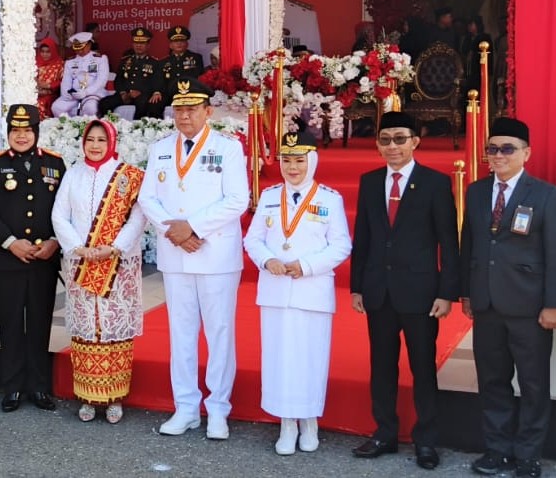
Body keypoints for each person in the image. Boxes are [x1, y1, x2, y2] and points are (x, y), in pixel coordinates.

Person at [139, 79, 249, 440]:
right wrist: (175, 231)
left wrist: (194, 228)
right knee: (181, 335)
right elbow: (148, 198)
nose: (184, 116)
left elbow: (237, 200)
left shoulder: (228, 148)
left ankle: (218, 409)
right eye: (179, 109)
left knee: (219, 334)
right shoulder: (161, 149)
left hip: (214, 252)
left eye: (192, 109)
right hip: (176, 253)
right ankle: (185, 407)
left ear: (208, 112)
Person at [349, 111, 457, 470]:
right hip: (379, 291)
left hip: (421, 293)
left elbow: (448, 242)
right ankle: (384, 432)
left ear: (415, 141)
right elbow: (362, 238)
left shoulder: (435, 183)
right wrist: (357, 286)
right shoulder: (369, 181)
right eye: (385, 140)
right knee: (381, 366)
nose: (392, 146)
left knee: (422, 368)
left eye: (399, 138)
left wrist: (446, 292)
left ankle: (426, 441)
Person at [461, 118, 556, 478]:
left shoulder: (545, 194)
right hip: (487, 304)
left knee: (534, 384)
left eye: (508, 148)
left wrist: (554, 304)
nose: (499, 155)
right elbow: (469, 246)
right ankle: (497, 449)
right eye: (493, 149)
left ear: (526, 153)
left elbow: (555, 252)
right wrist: (467, 292)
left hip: (530, 308)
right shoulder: (475, 191)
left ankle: (528, 454)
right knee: (492, 381)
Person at [242, 131, 352, 455]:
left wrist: (305, 265)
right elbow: (253, 239)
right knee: (279, 358)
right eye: (287, 160)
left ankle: (309, 420)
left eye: (299, 160)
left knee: (310, 357)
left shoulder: (329, 198)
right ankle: (286, 422)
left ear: (312, 161)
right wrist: (268, 259)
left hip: (312, 290)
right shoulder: (269, 195)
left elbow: (342, 245)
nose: (292, 167)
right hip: (275, 290)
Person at [52, 119, 145, 424]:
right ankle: (87, 396)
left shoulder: (127, 176)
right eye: (90, 139)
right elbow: (59, 215)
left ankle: (115, 396)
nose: (95, 145)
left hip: (117, 264)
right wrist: (78, 247)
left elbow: (137, 217)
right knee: (88, 329)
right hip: (82, 262)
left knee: (112, 328)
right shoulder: (74, 174)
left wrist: (114, 247)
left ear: (112, 143)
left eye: (101, 140)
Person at [0, 104, 65, 413]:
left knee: (40, 324)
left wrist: (55, 242)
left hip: (44, 258)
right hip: (8, 259)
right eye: (16, 131)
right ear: (8, 133)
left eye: (27, 130)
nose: (21, 136)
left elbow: (64, 211)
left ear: (37, 132)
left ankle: (40, 388)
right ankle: (13, 387)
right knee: (11, 324)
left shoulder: (55, 163)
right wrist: (11, 243)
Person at [98, 27, 161, 119]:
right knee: (104, 103)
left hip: (143, 95)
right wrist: (123, 93)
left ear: (148, 45)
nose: (138, 46)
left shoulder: (154, 63)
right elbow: (118, 80)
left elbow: (156, 82)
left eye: (142, 43)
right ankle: (111, 127)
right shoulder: (125, 61)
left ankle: (137, 130)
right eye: (136, 43)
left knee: (143, 104)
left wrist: (141, 92)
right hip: (125, 94)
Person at [52, 32, 109, 117]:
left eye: (82, 48)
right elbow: (66, 81)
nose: (79, 51)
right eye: (77, 48)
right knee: (56, 107)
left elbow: (101, 81)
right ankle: (70, 128)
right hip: (74, 95)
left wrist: (86, 92)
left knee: (90, 108)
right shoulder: (70, 61)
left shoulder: (100, 59)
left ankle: (86, 129)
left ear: (89, 44)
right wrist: (67, 94)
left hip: (92, 94)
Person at [156, 26, 205, 110]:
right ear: (170, 45)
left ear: (187, 44)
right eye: (175, 41)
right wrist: (157, 92)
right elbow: (160, 81)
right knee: (155, 104)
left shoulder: (196, 58)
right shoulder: (163, 62)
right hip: (170, 94)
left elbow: (199, 78)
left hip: (190, 93)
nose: (179, 44)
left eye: (182, 41)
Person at [35, 38, 63, 119]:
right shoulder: (35, 63)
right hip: (36, 94)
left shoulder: (59, 64)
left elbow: (62, 81)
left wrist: (49, 85)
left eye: (48, 52)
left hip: (50, 95)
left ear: (53, 51)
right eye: (42, 51)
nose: (44, 54)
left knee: (37, 106)